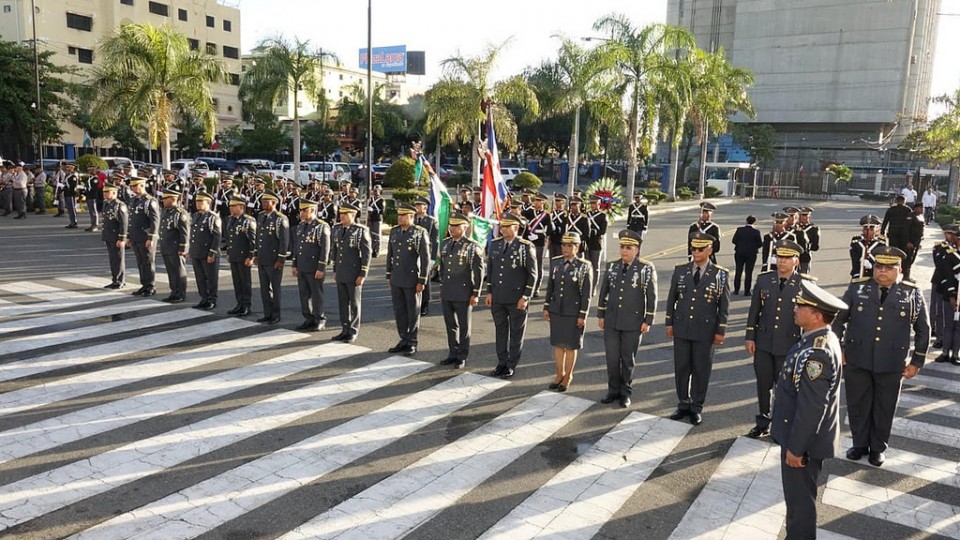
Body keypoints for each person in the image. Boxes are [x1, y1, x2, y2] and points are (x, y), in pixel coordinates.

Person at [833, 245, 929, 467]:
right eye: (878, 266)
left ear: (900, 269)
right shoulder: (857, 289)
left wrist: (917, 361)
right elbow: (838, 320)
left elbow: (923, 329)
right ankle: (859, 444)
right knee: (858, 404)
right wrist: (839, 349)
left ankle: (878, 448)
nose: (882, 271)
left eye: (889, 267)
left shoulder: (911, 292)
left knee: (884, 407)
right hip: (857, 359)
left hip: (892, 362)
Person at [771, 280, 846, 540]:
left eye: (801, 305)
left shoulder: (818, 353)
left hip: (803, 443)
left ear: (816, 315)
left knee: (800, 505)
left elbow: (812, 408)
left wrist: (796, 448)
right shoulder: (817, 340)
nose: (795, 307)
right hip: (800, 437)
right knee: (797, 503)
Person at [666, 231, 730, 425]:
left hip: (705, 329)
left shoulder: (720, 274)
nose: (696, 252)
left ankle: (696, 406)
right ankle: (683, 404)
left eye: (700, 249)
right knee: (682, 367)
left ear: (709, 250)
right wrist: (669, 322)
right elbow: (672, 299)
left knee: (701, 369)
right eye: (693, 248)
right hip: (682, 327)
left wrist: (720, 331)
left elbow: (724, 305)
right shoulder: (681, 270)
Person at [744, 240, 804, 438]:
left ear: (796, 261)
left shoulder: (804, 285)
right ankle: (763, 422)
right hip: (763, 342)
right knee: (763, 384)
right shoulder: (764, 280)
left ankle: (781, 426)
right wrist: (750, 337)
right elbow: (754, 311)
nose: (782, 262)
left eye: (787, 258)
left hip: (789, 345)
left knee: (785, 388)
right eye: (779, 257)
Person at [596, 229, 656, 408]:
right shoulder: (613, 266)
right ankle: (613, 390)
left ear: (637, 250)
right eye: (622, 247)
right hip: (612, 320)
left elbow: (651, 296)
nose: (624, 251)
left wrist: (648, 320)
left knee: (628, 359)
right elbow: (603, 292)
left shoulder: (646, 268)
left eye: (628, 248)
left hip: (633, 322)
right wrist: (601, 314)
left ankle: (625, 392)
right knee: (612, 358)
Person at [486, 212, 537, 379]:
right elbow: (491, 270)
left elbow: (533, 274)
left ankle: (511, 364)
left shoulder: (525, 246)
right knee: (500, 331)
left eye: (507, 226)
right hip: (498, 296)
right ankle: (501, 362)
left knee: (516, 333)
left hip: (517, 298)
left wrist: (526, 296)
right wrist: (489, 292)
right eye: (502, 226)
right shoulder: (495, 244)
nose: (503, 229)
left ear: (516, 228)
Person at [543, 231, 593, 393]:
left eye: (570, 245)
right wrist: (546, 306)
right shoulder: (556, 262)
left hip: (573, 311)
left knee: (570, 346)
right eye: (564, 245)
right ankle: (559, 374)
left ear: (577, 247)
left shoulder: (584, 266)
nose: (565, 248)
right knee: (557, 344)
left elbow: (586, 293)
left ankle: (568, 376)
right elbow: (551, 287)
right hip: (557, 309)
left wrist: (582, 314)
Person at [438, 212, 483, 369]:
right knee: (450, 324)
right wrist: (442, 287)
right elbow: (443, 268)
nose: (452, 228)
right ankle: (452, 352)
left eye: (456, 226)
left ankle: (462, 356)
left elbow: (478, 272)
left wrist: (476, 293)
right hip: (448, 290)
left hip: (464, 291)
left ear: (465, 227)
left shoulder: (472, 246)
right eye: (451, 225)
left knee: (464, 326)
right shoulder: (445, 244)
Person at [386, 202, 431, 355]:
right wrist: (388, 275)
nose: (399, 218)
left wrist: (422, 280)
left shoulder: (419, 232)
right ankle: (403, 338)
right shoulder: (394, 231)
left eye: (402, 215)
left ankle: (412, 341)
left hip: (412, 277)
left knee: (413, 311)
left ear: (411, 216)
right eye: (399, 215)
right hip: (397, 277)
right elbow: (390, 255)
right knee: (399, 310)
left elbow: (425, 258)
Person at [330, 202, 371, 342]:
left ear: (353, 215)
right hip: (341, 271)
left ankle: (353, 330)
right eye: (341, 214)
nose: (342, 216)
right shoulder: (336, 229)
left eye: (345, 214)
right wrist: (335, 270)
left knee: (354, 303)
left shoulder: (360, 230)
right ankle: (344, 328)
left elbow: (366, 253)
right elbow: (335, 251)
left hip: (354, 272)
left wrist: (362, 274)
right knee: (343, 303)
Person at [291, 199, 331, 331]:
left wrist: (321, 267)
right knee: (304, 294)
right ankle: (308, 318)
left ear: (313, 210)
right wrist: (294, 264)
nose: (301, 213)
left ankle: (319, 318)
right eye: (301, 210)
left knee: (316, 294)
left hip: (314, 267)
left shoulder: (321, 226)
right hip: (302, 265)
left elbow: (325, 249)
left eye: (304, 210)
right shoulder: (301, 226)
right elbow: (298, 247)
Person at [254, 191, 290, 324]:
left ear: (274, 203)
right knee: (264, 288)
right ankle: (267, 313)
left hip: (274, 259)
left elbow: (283, 241)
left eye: (266, 201)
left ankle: (276, 314)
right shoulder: (261, 216)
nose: (263, 203)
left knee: (275, 288)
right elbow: (259, 238)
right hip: (263, 258)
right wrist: (256, 254)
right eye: (263, 201)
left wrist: (281, 259)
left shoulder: (280, 218)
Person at [128, 178, 160, 297]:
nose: (134, 188)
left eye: (136, 186)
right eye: (133, 186)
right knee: (140, 261)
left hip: (146, 236)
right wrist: (128, 236)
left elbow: (155, 220)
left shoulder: (149, 201)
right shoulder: (133, 200)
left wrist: (151, 238)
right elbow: (130, 219)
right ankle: (144, 284)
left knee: (148, 261)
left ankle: (151, 285)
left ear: (143, 186)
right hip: (136, 235)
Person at [225, 197, 257, 317]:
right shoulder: (230, 220)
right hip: (234, 256)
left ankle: (246, 305)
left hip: (244, 257)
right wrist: (229, 252)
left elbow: (253, 241)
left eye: (233, 206)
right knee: (237, 282)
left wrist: (251, 256)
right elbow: (229, 239)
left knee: (245, 283)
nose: (231, 208)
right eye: (230, 206)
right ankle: (239, 304)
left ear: (241, 207)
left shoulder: (248, 221)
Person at [189, 192, 221, 310]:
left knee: (211, 278)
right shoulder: (196, 216)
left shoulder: (213, 217)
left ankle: (212, 299)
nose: (198, 204)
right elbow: (193, 235)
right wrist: (191, 251)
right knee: (200, 278)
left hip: (208, 253)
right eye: (197, 202)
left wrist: (212, 253)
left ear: (208, 203)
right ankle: (204, 298)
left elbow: (216, 237)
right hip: (197, 252)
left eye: (200, 202)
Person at [158, 188, 190, 304]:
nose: (163, 201)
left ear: (173, 199)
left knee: (179, 271)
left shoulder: (180, 213)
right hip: (166, 246)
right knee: (171, 271)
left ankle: (181, 293)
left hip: (176, 247)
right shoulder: (166, 211)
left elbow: (184, 232)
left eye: (165, 198)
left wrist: (183, 248)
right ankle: (174, 291)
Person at [413, 196, 439, 317]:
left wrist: (433, 258)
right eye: (416, 205)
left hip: (425, 254)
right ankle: (413, 303)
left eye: (420, 205)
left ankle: (424, 304)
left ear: (425, 207)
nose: (417, 208)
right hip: (412, 254)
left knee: (425, 280)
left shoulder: (431, 221)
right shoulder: (411, 219)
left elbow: (435, 241)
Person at [100, 184, 128, 289]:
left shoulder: (119, 205)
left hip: (116, 236)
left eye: (107, 192)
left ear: (114, 193)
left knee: (119, 259)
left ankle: (120, 280)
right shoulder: (106, 204)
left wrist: (122, 238)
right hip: (109, 235)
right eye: (104, 192)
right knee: (113, 259)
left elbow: (124, 223)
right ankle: (115, 279)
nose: (104, 194)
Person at [522, 192, 549, 297]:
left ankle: (536, 287)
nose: (537, 202)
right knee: (525, 263)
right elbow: (522, 221)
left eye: (539, 201)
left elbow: (549, 230)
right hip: (528, 241)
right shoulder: (528, 212)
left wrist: (539, 236)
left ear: (543, 202)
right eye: (536, 200)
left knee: (537, 265)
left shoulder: (546, 216)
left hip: (539, 242)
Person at [731, 215, 763, 295]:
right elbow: (759, 243)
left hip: (739, 252)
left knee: (738, 271)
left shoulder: (739, 230)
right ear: (755, 222)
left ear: (746, 221)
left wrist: (740, 245)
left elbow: (734, 240)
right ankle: (747, 291)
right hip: (751, 254)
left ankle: (736, 290)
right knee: (749, 272)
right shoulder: (756, 232)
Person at [585, 195, 608, 294]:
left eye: (595, 203)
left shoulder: (603, 216)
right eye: (592, 203)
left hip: (596, 244)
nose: (593, 205)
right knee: (586, 266)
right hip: (587, 243)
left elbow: (602, 231)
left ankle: (593, 286)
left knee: (595, 267)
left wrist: (592, 231)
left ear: (599, 204)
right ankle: (586, 285)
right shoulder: (586, 214)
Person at [903, 202, 925, 280]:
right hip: (910, 241)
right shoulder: (910, 216)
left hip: (916, 242)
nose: (922, 209)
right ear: (915, 208)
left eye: (923, 208)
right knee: (908, 259)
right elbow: (905, 230)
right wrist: (907, 241)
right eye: (921, 208)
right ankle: (906, 276)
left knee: (912, 258)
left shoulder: (921, 216)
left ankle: (907, 275)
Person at [796, 207, 820, 274]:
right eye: (801, 215)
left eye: (805, 215)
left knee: (803, 277)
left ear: (809, 216)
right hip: (792, 255)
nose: (803, 217)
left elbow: (815, 246)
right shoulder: (794, 228)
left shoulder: (813, 228)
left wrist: (807, 246)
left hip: (805, 256)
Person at [546, 193, 567, 259]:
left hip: (560, 240)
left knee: (559, 260)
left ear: (563, 202)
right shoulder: (552, 213)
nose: (557, 203)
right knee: (552, 259)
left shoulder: (565, 214)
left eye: (559, 201)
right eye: (556, 201)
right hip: (552, 240)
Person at [367, 184, 385, 257]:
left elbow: (382, 211)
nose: (376, 192)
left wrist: (373, 210)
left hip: (377, 219)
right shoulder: (371, 199)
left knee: (377, 235)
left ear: (380, 191)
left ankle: (377, 250)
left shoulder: (381, 200)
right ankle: (372, 249)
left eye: (377, 191)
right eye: (374, 191)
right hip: (371, 219)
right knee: (371, 235)